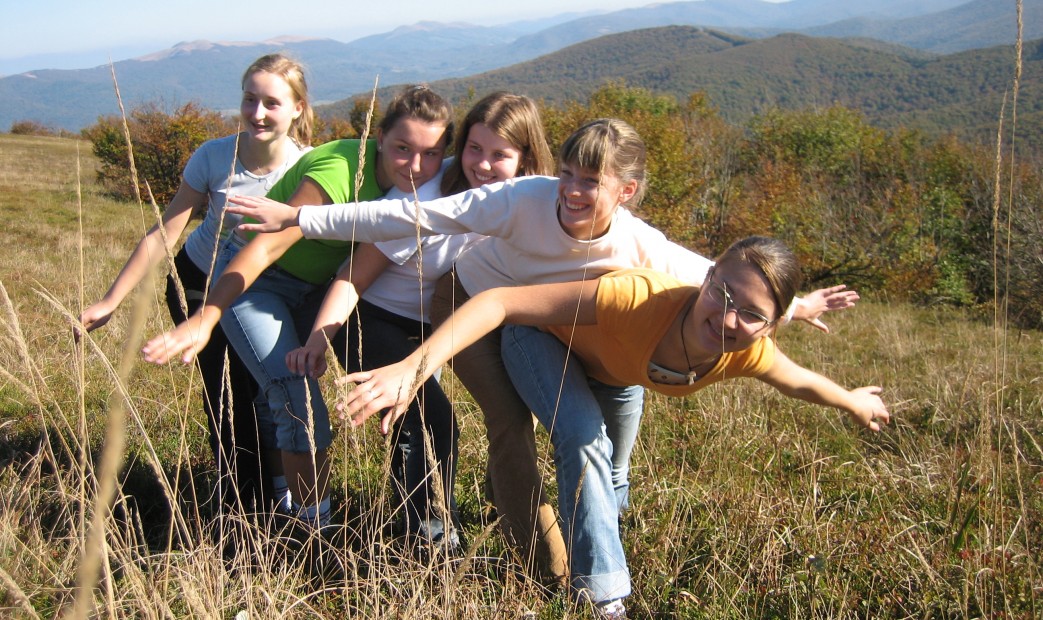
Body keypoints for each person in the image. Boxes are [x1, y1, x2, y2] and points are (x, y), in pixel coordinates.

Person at [224, 118, 858, 588]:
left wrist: (796, 308)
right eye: (571, 175)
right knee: (510, 424)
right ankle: (545, 570)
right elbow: (415, 219)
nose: (573, 192)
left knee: (592, 449)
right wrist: (302, 221)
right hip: (470, 302)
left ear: (627, 191)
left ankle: (591, 538)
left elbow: (717, 279)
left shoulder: (641, 245)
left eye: (593, 183)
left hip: (548, 328)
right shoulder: (520, 199)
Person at [334, 236, 890, 619]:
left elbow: (798, 381)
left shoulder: (748, 352)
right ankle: (604, 597)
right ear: (707, 276)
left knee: (611, 479)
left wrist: (852, 403)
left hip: (617, 373)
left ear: (771, 324)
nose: (727, 318)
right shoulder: (635, 297)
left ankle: (573, 524)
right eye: (723, 293)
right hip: (542, 339)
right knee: (582, 438)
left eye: (751, 314)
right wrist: (414, 367)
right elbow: (502, 302)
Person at [141, 85, 453, 536]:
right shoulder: (341, 170)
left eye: (430, 153)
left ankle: (409, 517)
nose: (415, 165)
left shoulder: (437, 180)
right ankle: (311, 531)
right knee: (295, 398)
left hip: (322, 289)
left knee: (409, 392)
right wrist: (207, 316)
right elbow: (265, 248)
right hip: (257, 286)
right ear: (379, 137)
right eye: (402, 148)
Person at [286, 91, 554, 551]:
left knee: (514, 407)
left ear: (526, 158)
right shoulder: (429, 199)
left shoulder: (533, 198)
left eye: (499, 155)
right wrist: (318, 338)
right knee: (432, 421)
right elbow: (354, 274)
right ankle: (426, 537)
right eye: (474, 149)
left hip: (454, 320)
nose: (483, 165)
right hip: (374, 320)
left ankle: (500, 500)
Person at [77, 53, 312, 514]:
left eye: (272, 103)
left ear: (298, 109)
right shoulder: (214, 155)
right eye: (249, 100)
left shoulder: (305, 168)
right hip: (198, 282)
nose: (258, 113)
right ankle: (240, 500)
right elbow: (166, 232)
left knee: (265, 392)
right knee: (224, 391)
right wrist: (110, 301)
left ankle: (275, 491)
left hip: (262, 290)